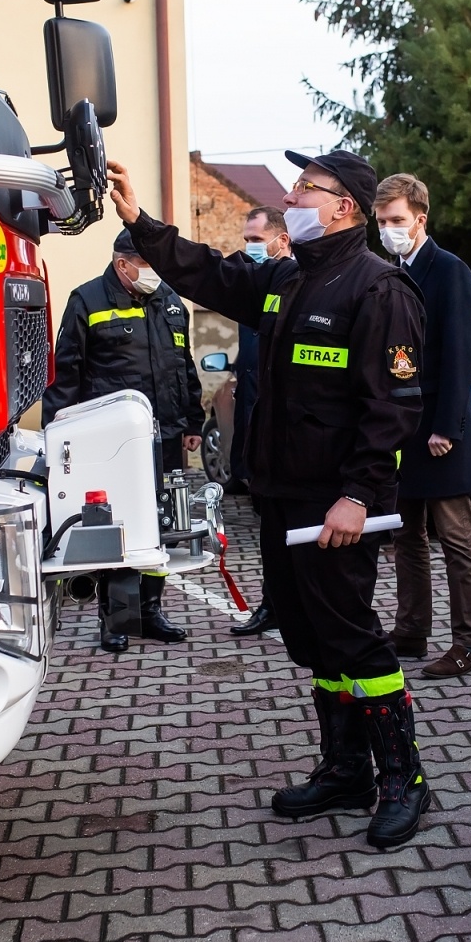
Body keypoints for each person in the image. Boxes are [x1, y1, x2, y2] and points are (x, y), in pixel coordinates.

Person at [106, 151, 433, 849]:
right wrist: (140, 220)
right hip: (284, 499)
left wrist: (355, 495)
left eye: (304, 188)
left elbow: (394, 408)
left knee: (352, 635)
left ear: (344, 206)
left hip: (337, 507)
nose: (291, 197)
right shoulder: (289, 277)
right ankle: (345, 770)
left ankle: (404, 777)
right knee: (315, 641)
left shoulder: (379, 291)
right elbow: (211, 273)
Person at [43, 228, 205, 652]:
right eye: (148, 264)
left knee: (162, 521)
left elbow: (183, 363)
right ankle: (116, 619)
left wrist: (193, 420)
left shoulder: (168, 299)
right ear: (123, 264)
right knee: (119, 528)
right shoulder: (88, 301)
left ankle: (150, 612)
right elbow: (67, 373)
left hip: (166, 432)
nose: (155, 273)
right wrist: (54, 435)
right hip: (112, 443)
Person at [374, 174, 471, 678]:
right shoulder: (390, 271)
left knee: (457, 539)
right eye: (381, 222)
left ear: (421, 218)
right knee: (407, 536)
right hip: (405, 429)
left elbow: (461, 353)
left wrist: (446, 427)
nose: (387, 230)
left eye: (396, 221)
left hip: (442, 431)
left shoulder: (450, 271)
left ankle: (467, 644)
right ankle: (412, 629)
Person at [226, 206, 289, 638]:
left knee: (292, 533)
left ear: (281, 240)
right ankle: (272, 604)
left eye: (255, 238)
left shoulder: (295, 283)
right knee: (270, 531)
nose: (249, 246)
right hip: (257, 429)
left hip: (288, 434)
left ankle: (293, 606)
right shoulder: (257, 287)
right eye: (246, 238)